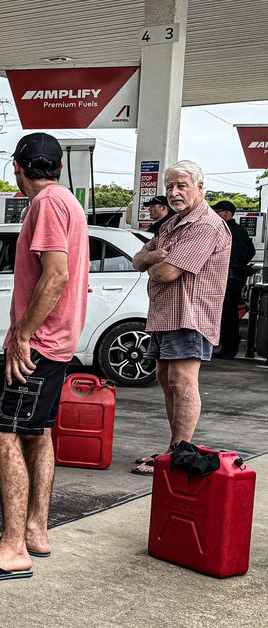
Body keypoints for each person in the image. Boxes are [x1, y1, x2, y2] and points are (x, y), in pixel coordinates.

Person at [0, 133, 89, 582]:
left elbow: (55, 276)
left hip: (41, 344)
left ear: (17, 166)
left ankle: (13, 547)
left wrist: (23, 336)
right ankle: (34, 529)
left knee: (1, 436)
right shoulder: (67, 201)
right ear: (57, 166)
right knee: (36, 434)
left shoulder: (47, 205)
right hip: (57, 343)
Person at [130, 161, 231, 476]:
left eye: (181, 185)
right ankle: (175, 450)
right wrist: (152, 257)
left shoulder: (205, 225)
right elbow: (137, 260)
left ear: (200, 187)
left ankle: (179, 453)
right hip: (165, 315)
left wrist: (156, 261)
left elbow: (166, 272)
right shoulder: (172, 224)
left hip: (190, 315)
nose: (174, 192)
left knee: (182, 381)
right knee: (166, 380)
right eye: (170, 187)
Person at [213, 200, 255, 359]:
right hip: (237, 276)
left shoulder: (223, 231)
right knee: (231, 313)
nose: (215, 215)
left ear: (226, 213)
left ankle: (227, 349)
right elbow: (250, 251)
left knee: (225, 313)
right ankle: (229, 348)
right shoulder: (241, 231)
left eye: (217, 212)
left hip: (226, 277)